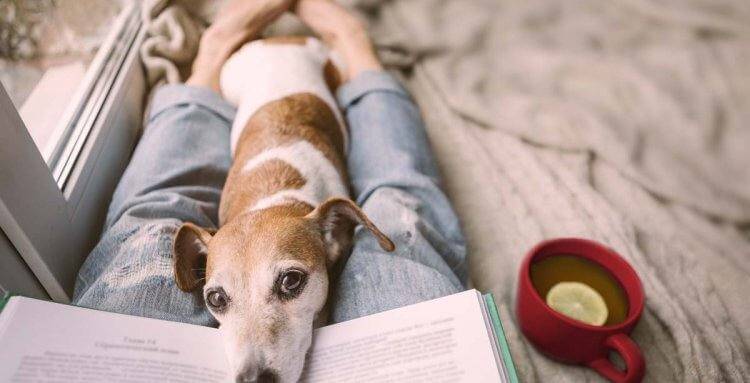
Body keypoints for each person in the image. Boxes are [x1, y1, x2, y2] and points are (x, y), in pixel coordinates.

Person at [73, 0, 467, 328]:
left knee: (152, 217)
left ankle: (341, 42)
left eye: (290, 282)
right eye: (218, 298)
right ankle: (235, 51)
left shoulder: (327, 229)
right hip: (258, 77)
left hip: (309, 66)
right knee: (400, 200)